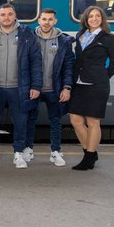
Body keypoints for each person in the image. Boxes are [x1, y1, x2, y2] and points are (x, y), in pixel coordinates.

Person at [0, 3, 42, 169]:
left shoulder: (26, 35)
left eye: (10, 14)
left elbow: (36, 61)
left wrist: (36, 86)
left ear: (15, 15)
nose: (6, 18)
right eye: (3, 14)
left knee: (20, 121)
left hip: (19, 88)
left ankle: (18, 153)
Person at [68, 6, 114, 170]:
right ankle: (90, 151)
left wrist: (102, 77)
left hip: (97, 85)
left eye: (97, 16)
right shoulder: (80, 35)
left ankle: (89, 157)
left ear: (102, 19)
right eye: (91, 16)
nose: (94, 19)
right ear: (86, 19)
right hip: (78, 83)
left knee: (93, 121)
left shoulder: (109, 38)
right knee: (75, 120)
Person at [25, 9, 75, 167]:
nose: (47, 22)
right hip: (34, 88)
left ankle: (55, 151)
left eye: (50, 19)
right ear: (38, 20)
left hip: (55, 88)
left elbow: (68, 67)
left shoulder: (64, 41)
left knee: (55, 121)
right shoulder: (29, 37)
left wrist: (67, 87)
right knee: (30, 119)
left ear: (55, 21)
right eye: (44, 19)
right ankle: (28, 149)